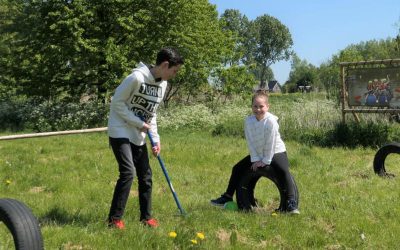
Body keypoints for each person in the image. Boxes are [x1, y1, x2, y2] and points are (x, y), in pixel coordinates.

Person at [107, 47, 184, 229]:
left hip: (139, 132)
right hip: (120, 129)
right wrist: (136, 122)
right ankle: (114, 220)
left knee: (146, 175)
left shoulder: (163, 84)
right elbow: (116, 103)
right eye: (174, 70)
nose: (175, 74)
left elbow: (152, 114)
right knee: (128, 172)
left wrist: (155, 140)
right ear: (165, 65)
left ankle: (146, 218)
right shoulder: (136, 78)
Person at [210, 89, 300, 214]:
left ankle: (291, 203)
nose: (258, 109)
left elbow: (271, 143)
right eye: (255, 106)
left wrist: (265, 161)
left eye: (261, 106)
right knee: (237, 168)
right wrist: (256, 160)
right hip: (258, 153)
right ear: (252, 106)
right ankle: (227, 196)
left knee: (283, 171)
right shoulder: (248, 121)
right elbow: (250, 142)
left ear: (268, 107)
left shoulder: (271, 121)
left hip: (276, 151)